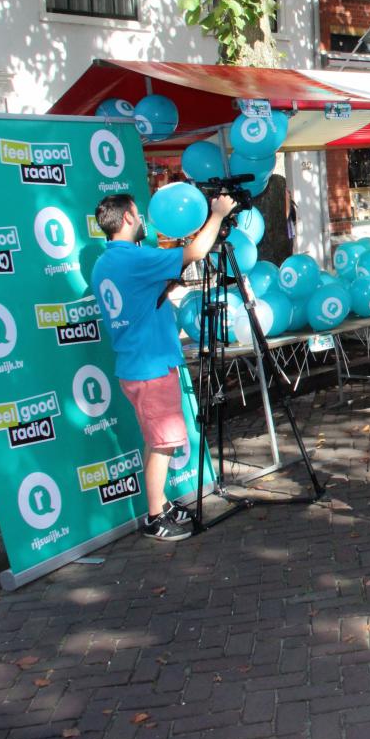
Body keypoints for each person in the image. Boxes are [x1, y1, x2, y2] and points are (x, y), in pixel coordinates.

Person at [91, 191, 236, 541]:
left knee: (157, 440)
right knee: (162, 445)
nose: (142, 220)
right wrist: (216, 214)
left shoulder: (105, 263)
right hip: (150, 367)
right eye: (138, 214)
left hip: (135, 364)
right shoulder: (133, 259)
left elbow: (142, 298)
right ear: (127, 218)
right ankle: (155, 517)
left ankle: (163, 504)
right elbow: (196, 253)